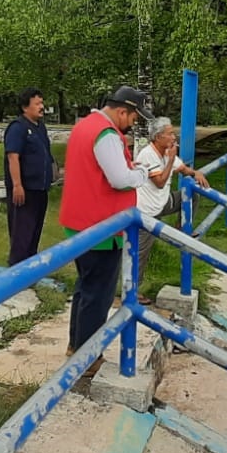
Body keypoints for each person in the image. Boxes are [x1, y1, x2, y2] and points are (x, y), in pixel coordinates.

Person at [60, 85, 153, 359]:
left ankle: (75, 345)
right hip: (100, 225)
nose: (134, 123)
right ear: (122, 111)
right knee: (98, 295)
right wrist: (142, 175)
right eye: (134, 118)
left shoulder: (86, 125)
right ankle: (87, 356)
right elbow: (120, 179)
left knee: (85, 288)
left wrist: (129, 170)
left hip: (80, 220)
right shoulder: (107, 134)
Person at [132, 117, 210, 285]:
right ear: (158, 137)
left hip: (163, 203)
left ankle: (182, 228)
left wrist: (195, 173)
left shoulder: (167, 152)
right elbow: (159, 182)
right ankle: (132, 292)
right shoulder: (148, 155)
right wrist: (171, 161)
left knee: (190, 197)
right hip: (147, 211)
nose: (174, 137)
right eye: (170, 134)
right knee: (141, 252)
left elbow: (182, 169)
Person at [4, 87, 56, 266]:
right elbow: (13, 156)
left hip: (40, 189)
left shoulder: (40, 127)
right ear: (25, 107)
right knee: (22, 234)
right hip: (24, 190)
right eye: (37, 103)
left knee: (34, 232)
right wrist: (17, 185)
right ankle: (16, 270)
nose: (42, 107)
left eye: (42, 102)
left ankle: (29, 269)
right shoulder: (18, 128)